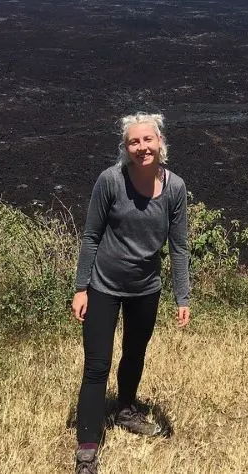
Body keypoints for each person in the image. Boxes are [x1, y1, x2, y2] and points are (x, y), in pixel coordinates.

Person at [72, 112, 190, 474]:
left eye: (147, 140)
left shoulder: (174, 188)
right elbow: (91, 236)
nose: (142, 147)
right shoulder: (110, 181)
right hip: (103, 286)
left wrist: (182, 297)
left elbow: (179, 246)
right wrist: (81, 288)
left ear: (160, 143)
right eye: (133, 142)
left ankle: (125, 408)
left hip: (146, 289)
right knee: (96, 365)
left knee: (135, 353)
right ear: (125, 148)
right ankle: (87, 449)